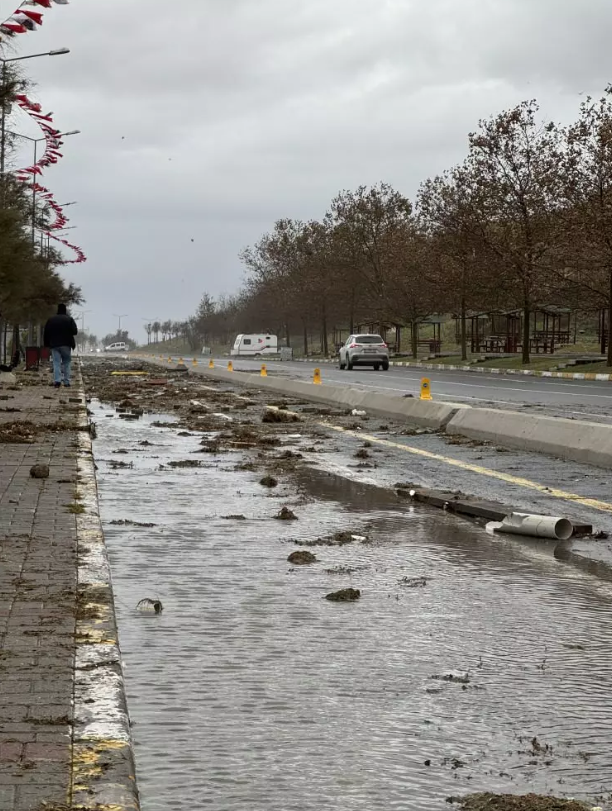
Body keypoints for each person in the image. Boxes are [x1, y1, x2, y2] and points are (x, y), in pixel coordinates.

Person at [43, 304, 78, 388]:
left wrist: (46, 344)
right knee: (66, 362)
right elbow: (75, 331)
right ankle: (66, 382)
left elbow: (46, 333)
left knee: (56, 363)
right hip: (66, 345)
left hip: (54, 345)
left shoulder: (51, 320)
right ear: (65, 310)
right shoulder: (69, 319)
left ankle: (57, 381)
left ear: (57, 310)